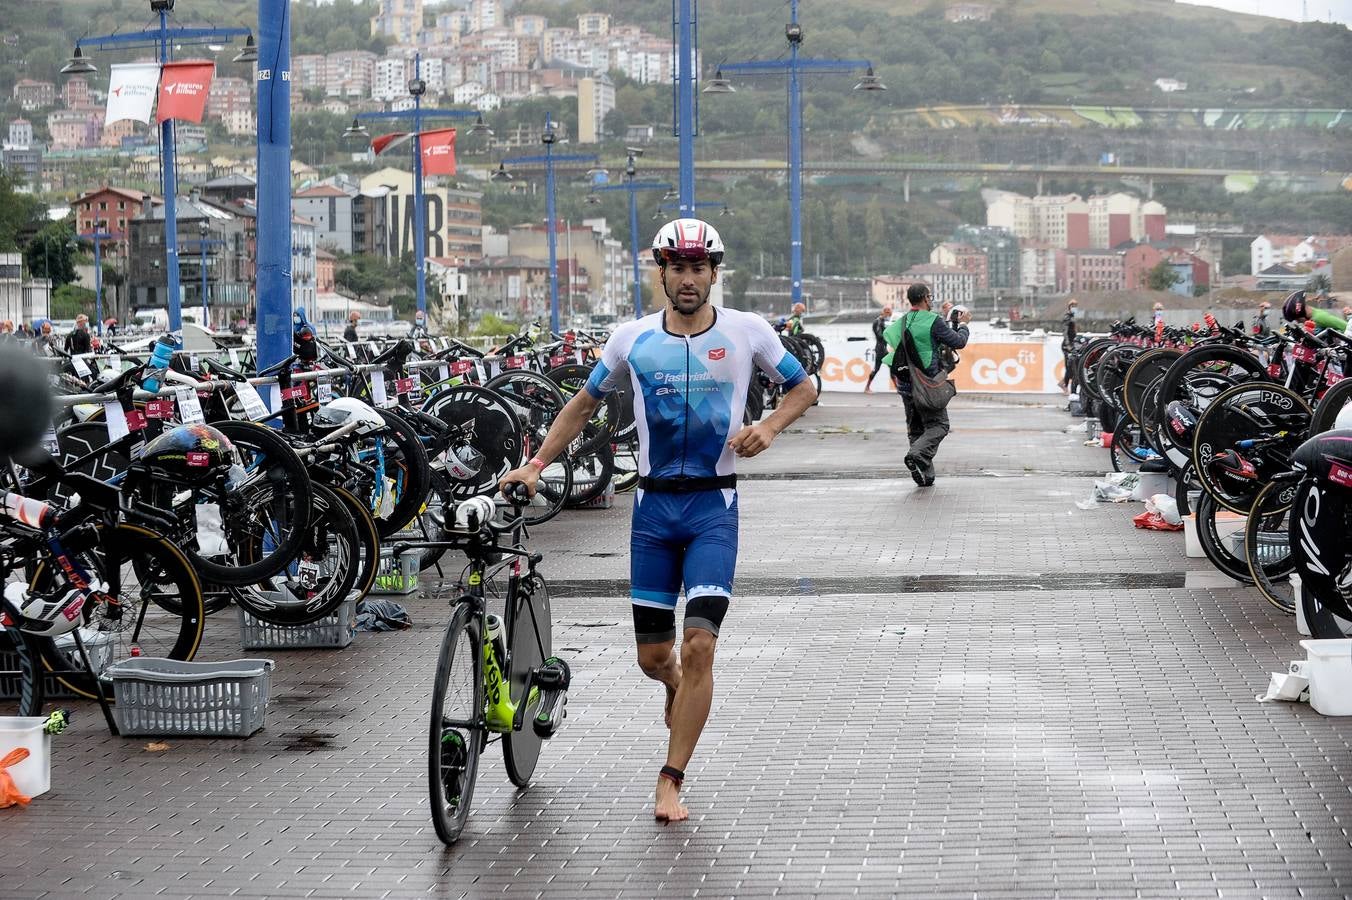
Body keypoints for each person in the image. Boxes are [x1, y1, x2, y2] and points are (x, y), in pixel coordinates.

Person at [499, 218, 816, 824]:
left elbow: (804, 388)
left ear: (714, 273)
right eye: (678, 267)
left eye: (700, 268)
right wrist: (535, 464)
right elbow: (582, 405)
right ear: (662, 273)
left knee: (700, 645)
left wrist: (769, 426)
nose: (689, 278)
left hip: (711, 508)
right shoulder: (632, 340)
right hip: (651, 512)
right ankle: (672, 685)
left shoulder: (747, 332)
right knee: (654, 658)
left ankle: (670, 778)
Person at [882, 282, 970, 487]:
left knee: (915, 429)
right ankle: (916, 454)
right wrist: (963, 325)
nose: (932, 299)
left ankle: (925, 475)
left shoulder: (901, 322)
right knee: (939, 425)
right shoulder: (933, 321)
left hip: (905, 383)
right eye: (930, 296)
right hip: (927, 383)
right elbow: (958, 342)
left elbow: (892, 344)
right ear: (924, 298)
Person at [865, 305, 893, 394]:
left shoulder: (884, 321)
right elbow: (879, 335)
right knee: (877, 369)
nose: (889, 314)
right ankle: (867, 388)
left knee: (892, 367)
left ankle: (897, 388)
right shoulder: (878, 321)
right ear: (884, 312)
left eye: (890, 312)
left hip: (884, 348)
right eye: (888, 312)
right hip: (880, 349)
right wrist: (888, 334)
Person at [1059, 298, 1079, 394]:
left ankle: (1063, 383)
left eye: (1076, 306)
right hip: (1067, 346)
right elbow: (1065, 332)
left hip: (1072, 344)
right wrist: (1068, 345)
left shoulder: (1073, 317)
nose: (1074, 308)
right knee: (1069, 367)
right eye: (1073, 306)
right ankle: (1064, 385)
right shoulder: (1067, 317)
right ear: (1069, 307)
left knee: (1071, 367)